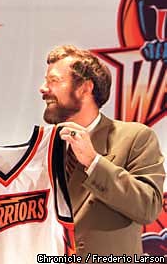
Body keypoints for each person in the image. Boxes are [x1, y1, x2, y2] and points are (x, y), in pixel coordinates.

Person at [39, 45, 165, 258]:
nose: (43, 88)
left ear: (84, 88)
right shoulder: (43, 145)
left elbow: (148, 207)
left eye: (54, 80)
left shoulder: (136, 137)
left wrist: (94, 162)